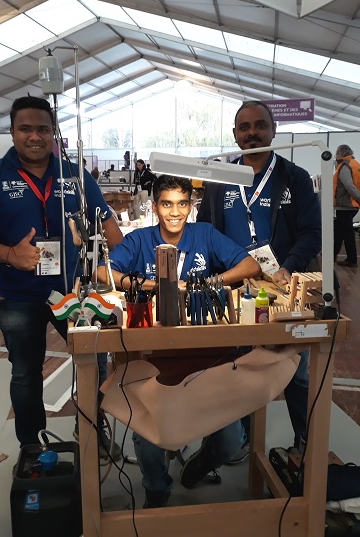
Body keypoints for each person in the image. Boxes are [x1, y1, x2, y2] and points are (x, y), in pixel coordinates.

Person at [0, 96, 123, 458]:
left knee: (95, 362)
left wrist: (99, 264)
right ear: (12, 132)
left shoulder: (75, 177)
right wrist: (9, 254)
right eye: (25, 129)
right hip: (19, 296)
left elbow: (112, 232)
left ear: (54, 134)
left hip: (74, 293)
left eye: (43, 129)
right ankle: (32, 445)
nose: (35, 137)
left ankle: (93, 428)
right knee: (26, 374)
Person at [95, 174, 261, 508]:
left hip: (206, 359)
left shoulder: (205, 234)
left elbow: (249, 265)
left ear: (192, 205)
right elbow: (103, 272)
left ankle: (202, 463)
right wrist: (145, 284)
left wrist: (209, 281)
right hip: (155, 361)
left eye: (182, 204)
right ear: (155, 207)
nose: (175, 212)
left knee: (232, 441)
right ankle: (157, 488)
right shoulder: (141, 239)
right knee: (147, 435)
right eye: (167, 204)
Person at [196, 100, 321, 468]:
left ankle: (305, 443)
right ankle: (241, 440)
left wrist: (288, 266)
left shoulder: (294, 177)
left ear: (273, 130)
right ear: (235, 135)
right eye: (244, 127)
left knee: (296, 371)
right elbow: (205, 231)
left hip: (282, 289)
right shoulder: (222, 179)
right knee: (237, 366)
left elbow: (311, 234)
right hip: (234, 288)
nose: (252, 133)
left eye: (260, 125)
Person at [333, 144, 360, 267]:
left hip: (345, 205)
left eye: (337, 153)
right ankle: (332, 255)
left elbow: (349, 186)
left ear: (341, 153)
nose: (335, 156)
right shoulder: (355, 165)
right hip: (352, 205)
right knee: (339, 231)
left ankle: (352, 259)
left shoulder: (344, 166)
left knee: (347, 233)